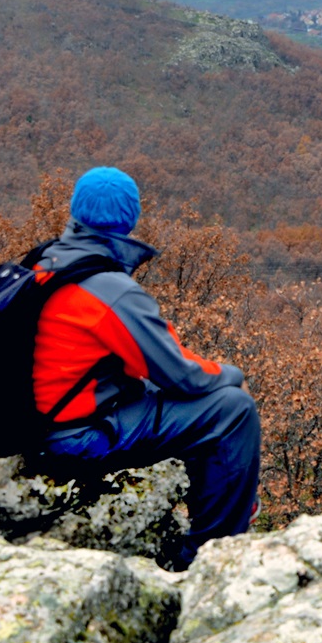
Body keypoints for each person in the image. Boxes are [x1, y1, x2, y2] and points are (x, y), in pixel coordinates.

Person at [32, 166, 260, 569]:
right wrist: (233, 376)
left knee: (184, 401)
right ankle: (210, 557)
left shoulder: (43, 265)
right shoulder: (109, 290)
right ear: (131, 219)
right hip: (73, 440)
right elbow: (181, 375)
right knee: (233, 411)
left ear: (75, 212)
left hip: (32, 423)